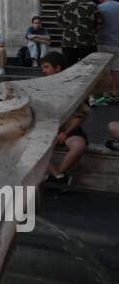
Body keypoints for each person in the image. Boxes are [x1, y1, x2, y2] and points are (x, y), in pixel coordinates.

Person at [41, 52, 89, 190]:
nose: (43, 71)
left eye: (46, 67)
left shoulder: (74, 87)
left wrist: (65, 134)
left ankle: (55, 176)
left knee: (79, 146)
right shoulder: (43, 86)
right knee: (32, 148)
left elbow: (82, 115)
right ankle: (59, 176)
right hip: (47, 130)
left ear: (58, 68)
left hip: (69, 130)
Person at [57, 0, 100, 67]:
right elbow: (99, 23)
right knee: (88, 68)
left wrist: (68, 30)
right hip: (88, 42)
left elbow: (59, 22)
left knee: (69, 68)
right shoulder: (92, 5)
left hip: (69, 43)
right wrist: (92, 31)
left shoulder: (64, 5)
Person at [94, 0, 119, 102]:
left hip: (104, 42)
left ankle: (106, 92)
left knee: (106, 69)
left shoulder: (99, 8)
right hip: (117, 42)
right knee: (116, 69)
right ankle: (115, 91)